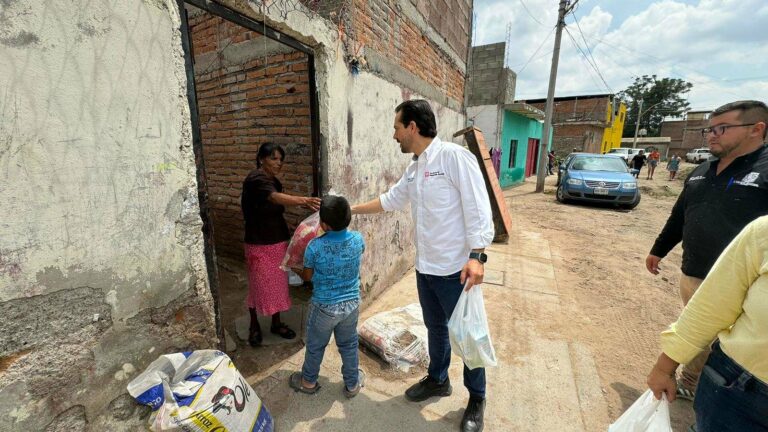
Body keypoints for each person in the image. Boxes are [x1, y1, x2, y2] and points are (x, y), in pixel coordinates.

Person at [351, 99, 494, 432]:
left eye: (396, 128)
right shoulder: (414, 169)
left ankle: (476, 398)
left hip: (456, 270)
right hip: (426, 268)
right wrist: (350, 210)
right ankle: (438, 379)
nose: (394, 135)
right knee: (436, 328)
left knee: (468, 335)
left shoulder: (454, 158)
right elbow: (391, 200)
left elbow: (478, 207)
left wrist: (477, 256)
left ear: (412, 127)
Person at [645, 100, 768, 400]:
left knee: (723, 343)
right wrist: (658, 250)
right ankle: (696, 380)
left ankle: (696, 384)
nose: (712, 135)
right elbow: (680, 215)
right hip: (694, 274)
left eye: (721, 128)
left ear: (757, 129)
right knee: (699, 329)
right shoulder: (702, 170)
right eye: (709, 130)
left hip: (745, 285)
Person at [646, 216, 768, 431]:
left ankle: (690, 381)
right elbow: (712, 306)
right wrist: (665, 368)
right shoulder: (763, 232)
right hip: (742, 391)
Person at [241, 142, 321, 346]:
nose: (278, 163)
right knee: (258, 285)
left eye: (280, 159)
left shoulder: (273, 181)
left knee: (278, 285)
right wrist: (304, 200)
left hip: (277, 241)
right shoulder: (255, 179)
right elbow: (275, 198)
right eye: (273, 158)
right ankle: (254, 325)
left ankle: (276, 323)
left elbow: (275, 201)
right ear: (261, 159)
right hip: (258, 243)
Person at [289, 195, 366, 398]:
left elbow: (307, 276)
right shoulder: (358, 239)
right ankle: (352, 384)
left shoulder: (314, 246)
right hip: (351, 303)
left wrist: (295, 268)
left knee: (316, 345)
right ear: (348, 218)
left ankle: (308, 382)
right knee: (349, 344)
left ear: (323, 223)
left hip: (324, 306)